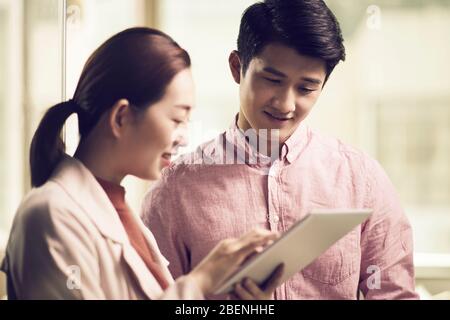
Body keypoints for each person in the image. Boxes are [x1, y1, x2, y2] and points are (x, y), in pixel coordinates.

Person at [141, 0, 419, 299]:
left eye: (306, 88)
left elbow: (395, 295)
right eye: (272, 80)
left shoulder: (360, 180)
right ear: (237, 68)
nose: (285, 104)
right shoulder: (175, 191)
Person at [0, 27, 284, 299]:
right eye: (176, 119)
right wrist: (199, 283)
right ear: (121, 117)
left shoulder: (124, 217)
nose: (184, 139)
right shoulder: (51, 214)